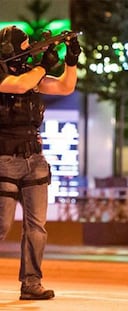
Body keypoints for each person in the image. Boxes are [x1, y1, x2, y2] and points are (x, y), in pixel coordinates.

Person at [0, 25, 80, 300]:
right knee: (1, 224)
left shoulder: (31, 75)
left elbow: (65, 86)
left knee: (37, 227)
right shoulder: (8, 75)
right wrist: (44, 65)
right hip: (4, 159)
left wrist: (71, 61)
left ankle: (31, 283)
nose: (26, 52)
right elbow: (18, 85)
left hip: (34, 158)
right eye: (23, 47)